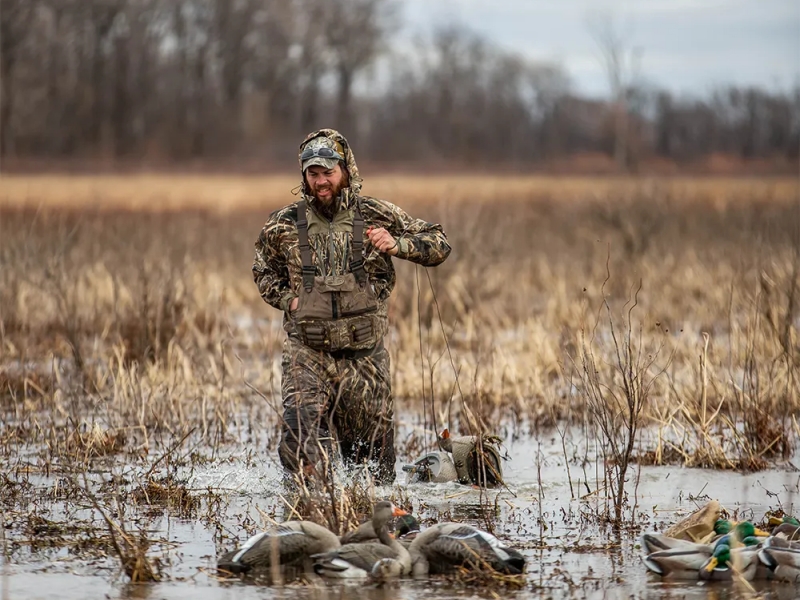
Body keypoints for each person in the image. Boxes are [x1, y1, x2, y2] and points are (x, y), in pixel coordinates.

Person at [252, 129, 451, 485]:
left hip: (365, 358)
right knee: (301, 449)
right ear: (303, 176)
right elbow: (263, 271)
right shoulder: (282, 223)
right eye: (312, 173)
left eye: (328, 172)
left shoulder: (376, 212)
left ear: (346, 171)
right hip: (307, 353)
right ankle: (309, 523)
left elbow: (439, 243)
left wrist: (398, 245)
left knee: (373, 475)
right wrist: (288, 300)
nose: (320, 181)